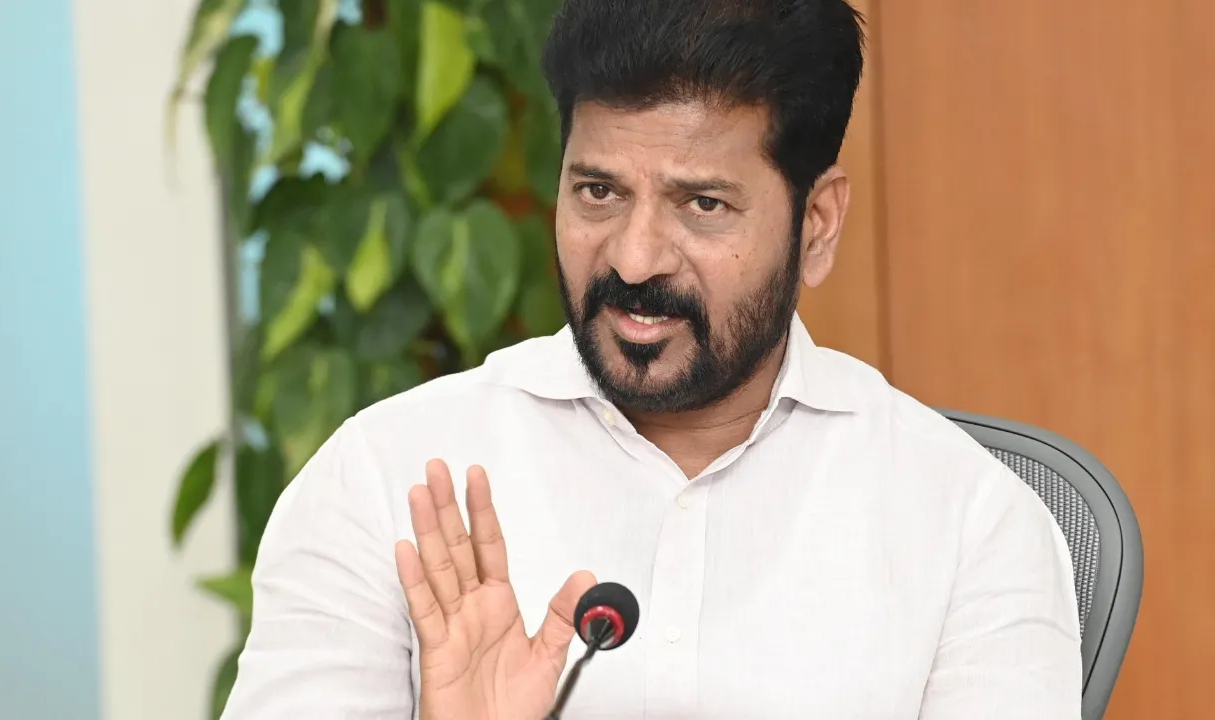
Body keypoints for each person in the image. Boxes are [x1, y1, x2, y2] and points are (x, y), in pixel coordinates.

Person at [220, 0, 1082, 717]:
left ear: (816, 225)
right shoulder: (388, 481)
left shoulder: (968, 523)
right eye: (598, 192)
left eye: (701, 205)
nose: (634, 261)